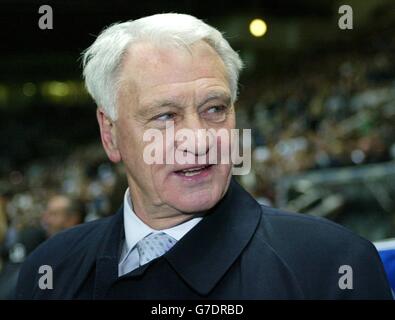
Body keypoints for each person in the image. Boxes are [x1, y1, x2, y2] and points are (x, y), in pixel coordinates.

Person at [15, 13, 392, 299]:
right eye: (164, 116)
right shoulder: (50, 269)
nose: (198, 139)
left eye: (214, 109)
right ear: (110, 134)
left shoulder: (332, 266)